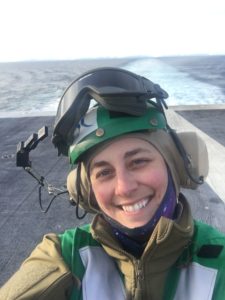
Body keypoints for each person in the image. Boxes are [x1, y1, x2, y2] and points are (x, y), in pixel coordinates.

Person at [1, 67, 225, 300]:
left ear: (176, 164)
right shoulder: (64, 255)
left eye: (138, 162)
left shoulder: (220, 259)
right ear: (84, 190)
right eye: (104, 172)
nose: (124, 188)